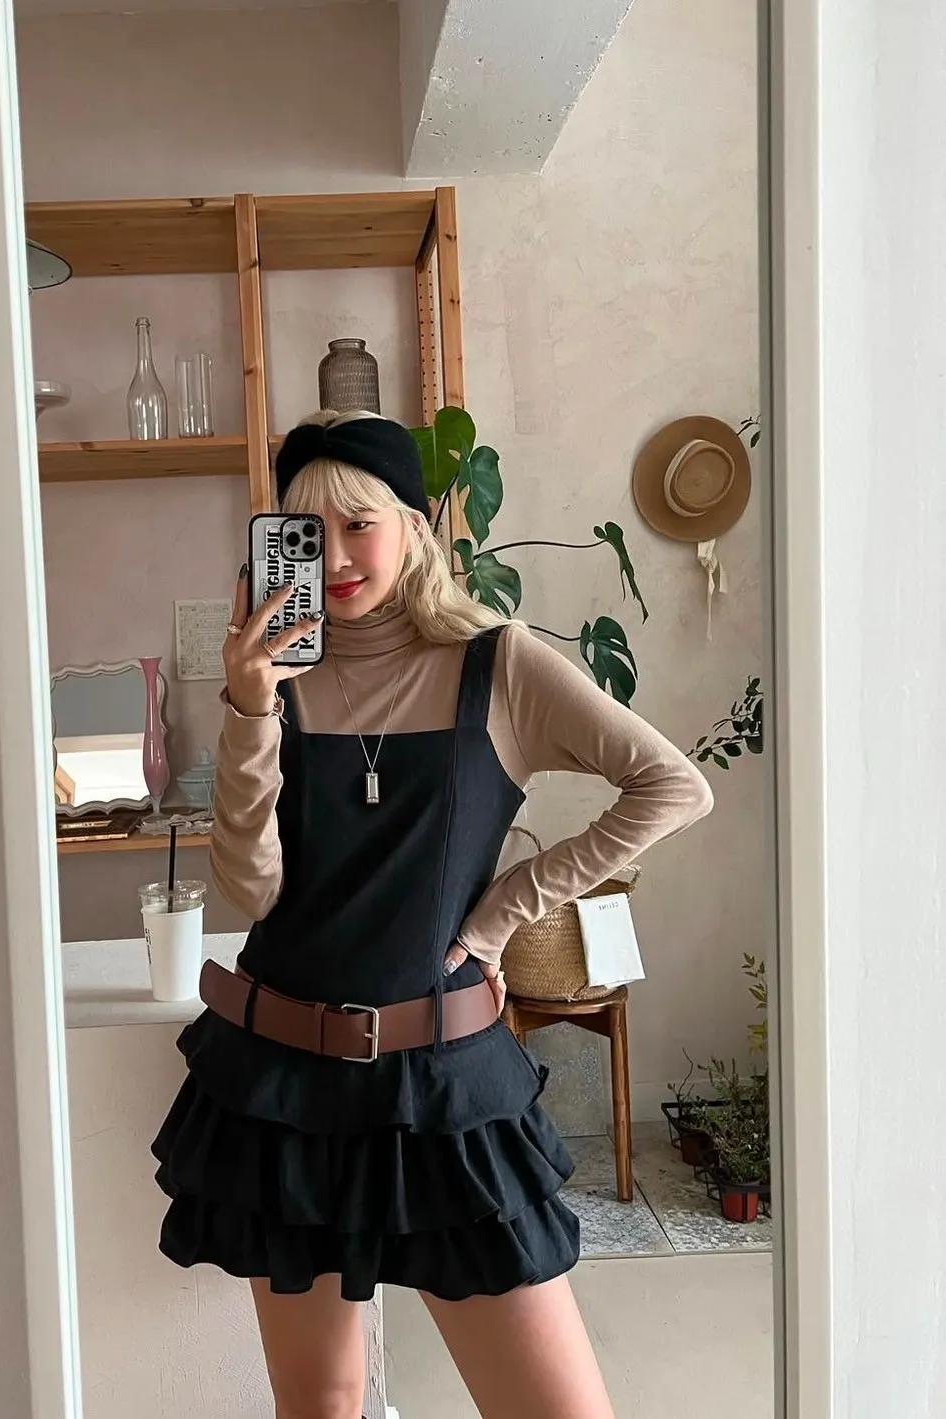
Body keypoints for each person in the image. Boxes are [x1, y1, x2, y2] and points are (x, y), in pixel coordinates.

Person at [151, 410, 713, 1419]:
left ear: (415, 527)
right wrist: (248, 708)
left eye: (358, 524)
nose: (334, 557)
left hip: (444, 1082)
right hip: (281, 1085)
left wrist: (502, 912)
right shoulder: (275, 679)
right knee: (319, 1406)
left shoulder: (501, 665)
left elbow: (671, 786)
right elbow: (252, 887)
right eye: (307, 531)